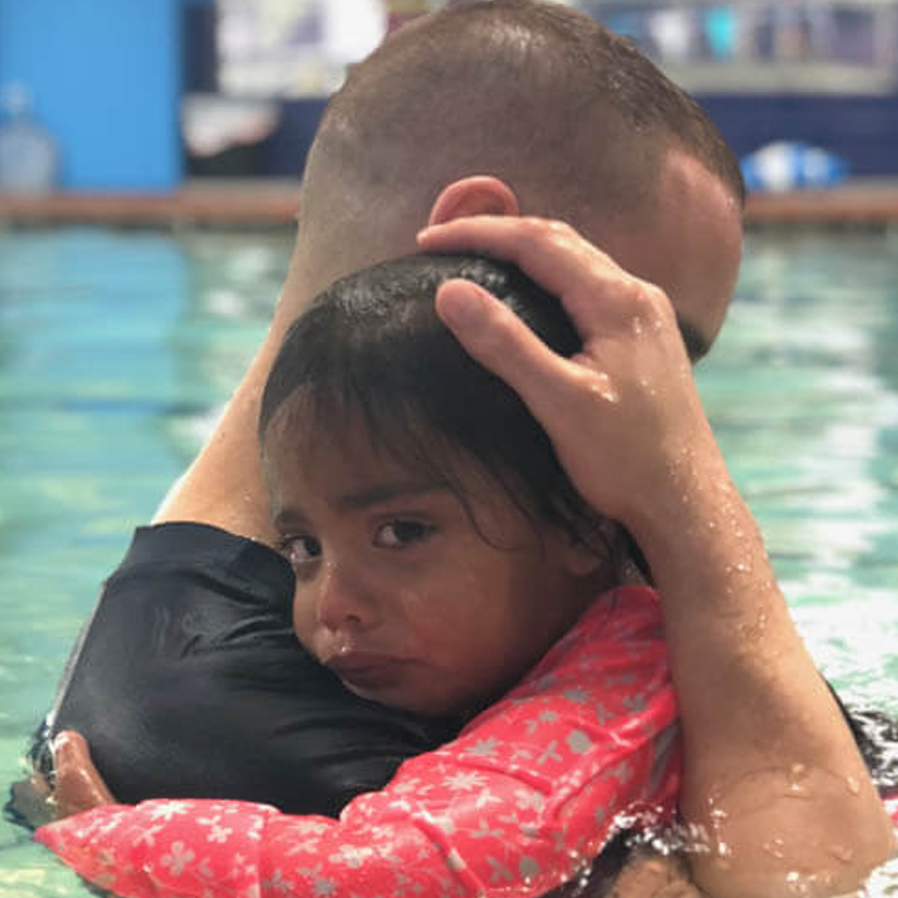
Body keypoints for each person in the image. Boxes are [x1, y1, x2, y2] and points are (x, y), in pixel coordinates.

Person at [17, 0, 896, 895]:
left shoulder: (457, 558)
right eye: (648, 332)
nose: (664, 405)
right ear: (481, 249)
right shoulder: (252, 737)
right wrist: (685, 495)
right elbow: (819, 876)